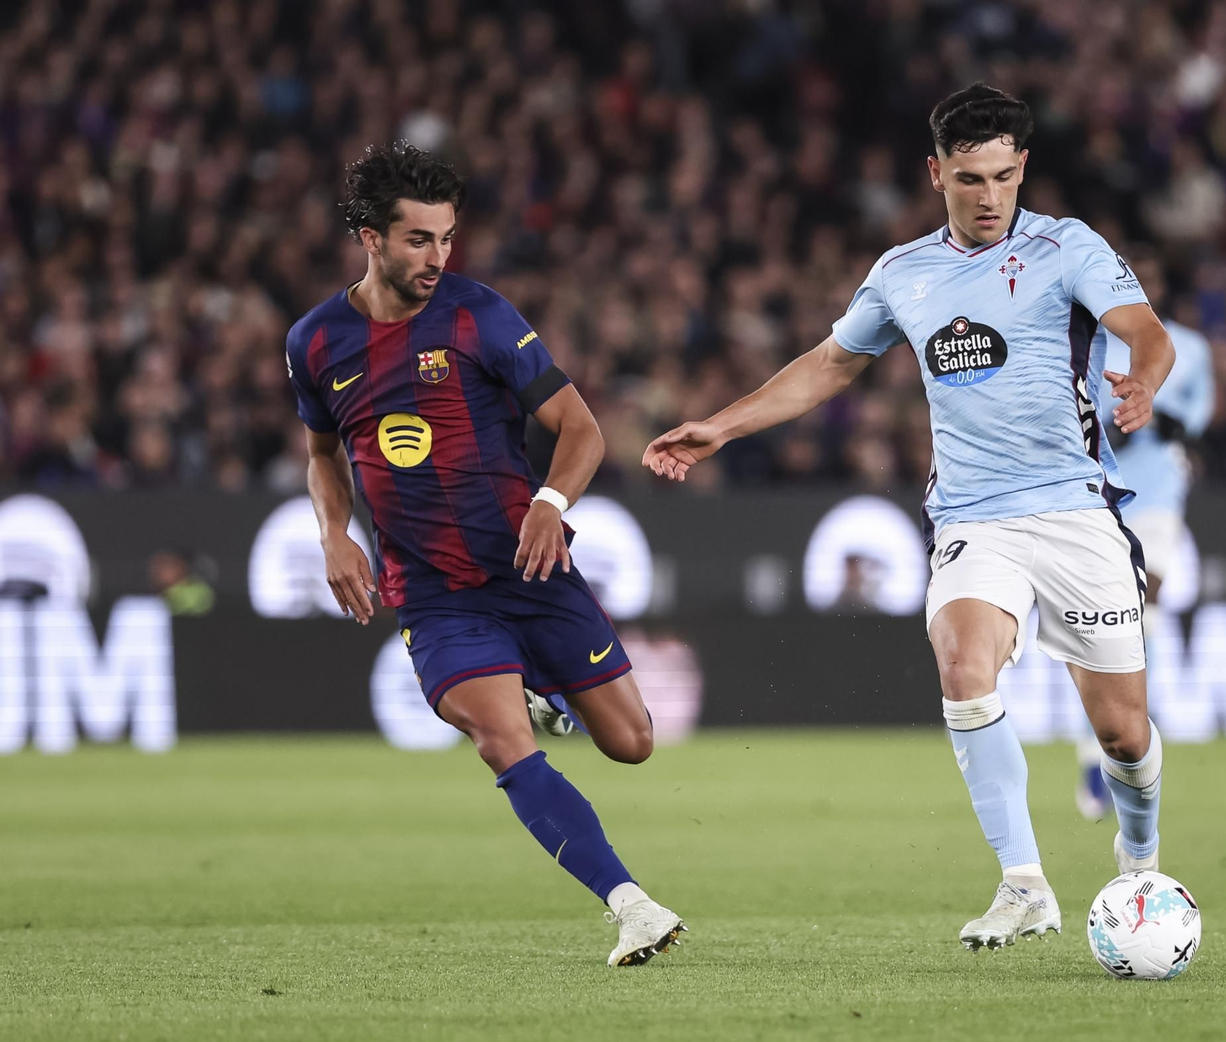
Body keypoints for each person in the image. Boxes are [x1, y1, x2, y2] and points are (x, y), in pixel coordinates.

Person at [644, 85, 1175, 950]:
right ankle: (1024, 882)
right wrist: (721, 426)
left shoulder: (1066, 247)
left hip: (1076, 512)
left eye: (1005, 176)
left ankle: (1141, 856)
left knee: (1122, 730)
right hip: (973, 517)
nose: (991, 195)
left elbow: (1144, 329)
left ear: (1023, 169)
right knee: (964, 666)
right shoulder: (903, 274)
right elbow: (827, 366)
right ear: (936, 175)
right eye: (971, 179)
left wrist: (1143, 379)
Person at [287, 142, 683, 967]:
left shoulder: (479, 316)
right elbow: (324, 454)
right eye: (418, 240)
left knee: (632, 742)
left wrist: (550, 502)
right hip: (434, 596)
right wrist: (333, 534)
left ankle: (544, 690)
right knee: (502, 741)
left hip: (531, 569)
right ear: (370, 237)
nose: (438, 257)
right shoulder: (316, 343)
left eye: (447, 238)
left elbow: (582, 428)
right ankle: (631, 905)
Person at [1076, 248, 1213, 819]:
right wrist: (1116, 424)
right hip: (1103, 491)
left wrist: (1159, 410)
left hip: (1160, 494)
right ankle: (1098, 750)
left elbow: (1200, 416)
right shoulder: (1095, 340)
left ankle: (1132, 739)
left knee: (1145, 602)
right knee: (1102, 620)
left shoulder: (1191, 348)